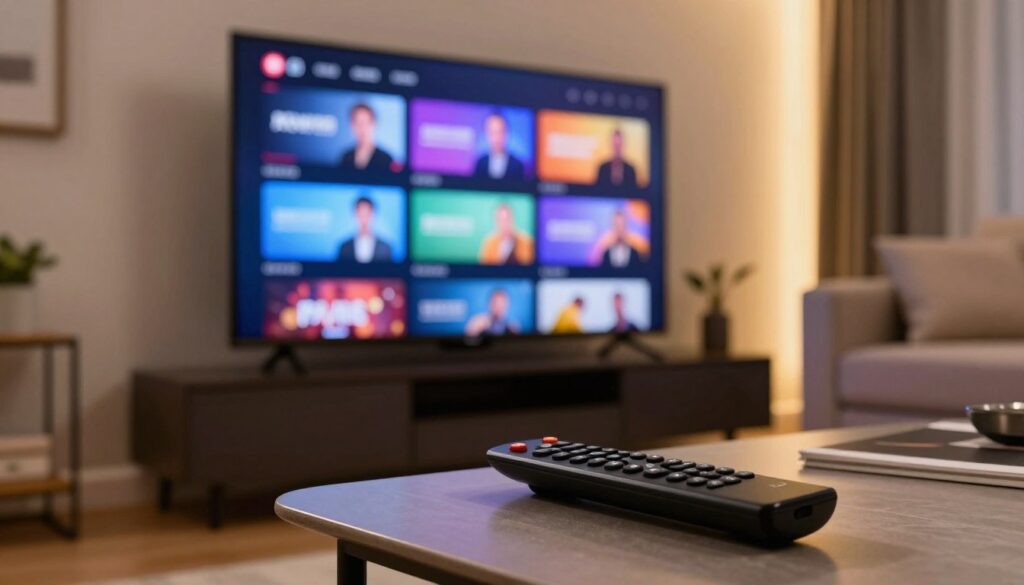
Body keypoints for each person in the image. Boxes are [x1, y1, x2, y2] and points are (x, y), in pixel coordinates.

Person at [338, 103, 396, 172]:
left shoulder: (386, 159)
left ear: (373, 124)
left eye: (365, 123)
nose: (361, 128)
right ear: (352, 126)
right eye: (357, 123)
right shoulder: (346, 157)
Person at [337, 196, 394, 263]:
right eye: (361, 214)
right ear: (355, 215)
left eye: (367, 214)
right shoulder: (344, 247)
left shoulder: (385, 248)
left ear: (373, 215)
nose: (364, 219)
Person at [473, 112, 526, 180]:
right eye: (492, 132)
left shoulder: (518, 165)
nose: (496, 138)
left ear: (506, 133)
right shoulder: (480, 163)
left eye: (500, 132)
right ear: (486, 134)